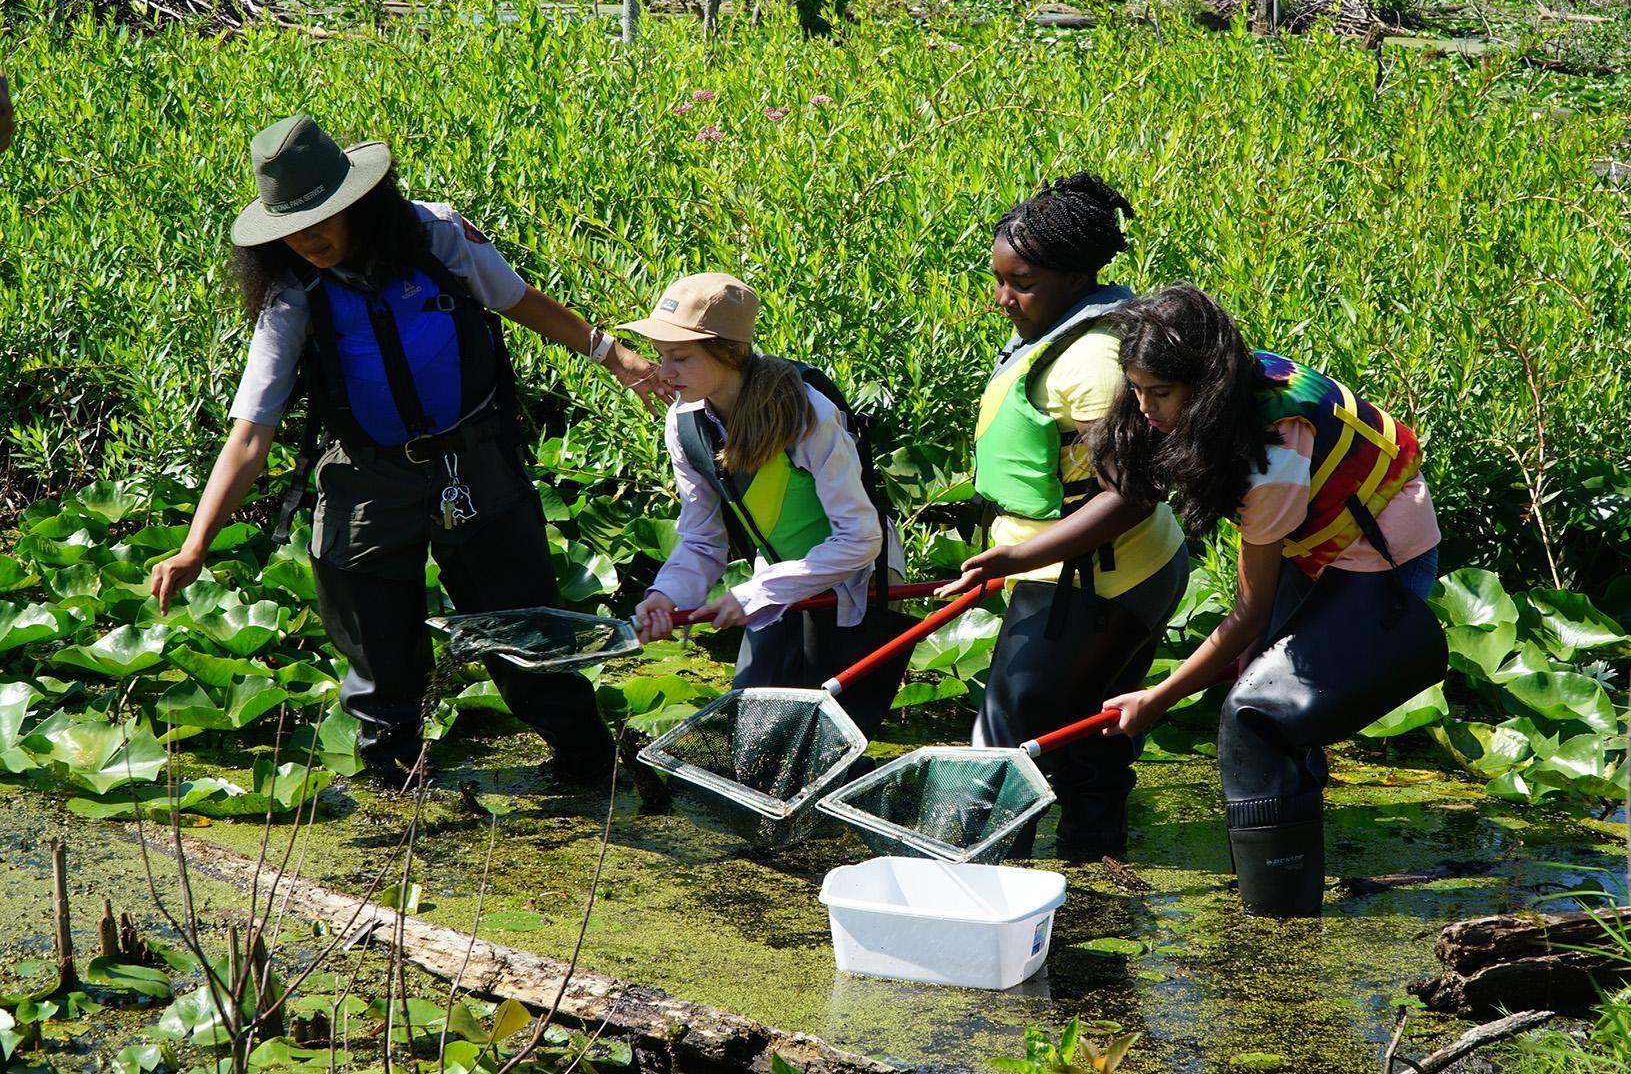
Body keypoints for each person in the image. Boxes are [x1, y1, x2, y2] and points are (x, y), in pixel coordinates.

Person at [149, 115, 674, 792]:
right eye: (293, 227)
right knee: (382, 667)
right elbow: (250, 435)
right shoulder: (291, 295)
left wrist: (616, 357)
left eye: (322, 219)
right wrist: (195, 546)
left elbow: (518, 301)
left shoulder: (437, 237)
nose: (308, 239)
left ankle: (588, 770)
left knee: (528, 634)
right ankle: (395, 797)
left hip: (475, 461)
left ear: (360, 201)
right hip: (367, 478)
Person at [993, 284, 1447, 916]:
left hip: (1375, 558)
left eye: (1162, 394)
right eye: (1138, 390)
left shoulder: (1270, 455)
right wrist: (1017, 557)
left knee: (1258, 715)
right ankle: (1275, 880)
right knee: (1268, 697)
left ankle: (1280, 921)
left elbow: (1247, 614)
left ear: (1203, 386)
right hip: (1307, 543)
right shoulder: (1208, 388)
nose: (1146, 408)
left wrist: (1158, 697)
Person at [939, 174, 1190, 863]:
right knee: (1088, 741)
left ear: (1077, 274)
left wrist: (1016, 559)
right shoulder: (1067, 329)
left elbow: (1133, 494)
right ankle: (1094, 883)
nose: (1002, 298)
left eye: (1021, 282)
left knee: (1003, 747)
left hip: (1092, 583)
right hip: (1094, 571)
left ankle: (989, 889)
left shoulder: (1098, 364)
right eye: (996, 278)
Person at [627, 274, 907, 736]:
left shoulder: (808, 414)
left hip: (855, 586)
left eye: (679, 357)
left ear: (730, 352)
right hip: (776, 579)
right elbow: (701, 538)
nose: (665, 373)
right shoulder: (684, 421)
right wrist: (665, 595)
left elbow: (861, 539)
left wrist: (757, 593)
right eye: (662, 356)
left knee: (826, 742)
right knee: (753, 732)